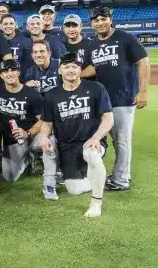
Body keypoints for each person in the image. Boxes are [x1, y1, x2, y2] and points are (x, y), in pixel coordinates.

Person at [82, 5, 150, 191]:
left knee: (121, 140)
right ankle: (118, 175)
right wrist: (73, 74)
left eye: (103, 19)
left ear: (110, 20)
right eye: (96, 20)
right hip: (104, 101)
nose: (100, 23)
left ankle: (121, 180)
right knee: (110, 139)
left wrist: (143, 91)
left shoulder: (124, 38)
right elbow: (92, 69)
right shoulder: (93, 44)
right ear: (92, 23)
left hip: (123, 98)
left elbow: (143, 61)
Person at [37, 52, 113, 217]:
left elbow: (108, 119)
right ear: (59, 70)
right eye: (66, 67)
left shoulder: (96, 88)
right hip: (67, 146)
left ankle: (96, 203)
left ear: (80, 70)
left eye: (75, 66)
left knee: (92, 154)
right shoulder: (52, 95)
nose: (71, 70)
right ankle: (98, 178)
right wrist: (43, 136)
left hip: (90, 141)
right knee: (74, 190)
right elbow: (47, 123)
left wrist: (96, 137)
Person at [0, 59, 44, 185]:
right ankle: (29, 159)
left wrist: (28, 133)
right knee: (9, 177)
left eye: (13, 70)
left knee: (49, 140)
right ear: (1, 75)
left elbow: (44, 121)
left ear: (18, 72)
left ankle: (55, 172)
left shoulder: (32, 94)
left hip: (32, 136)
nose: (10, 73)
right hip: (13, 141)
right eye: (5, 71)